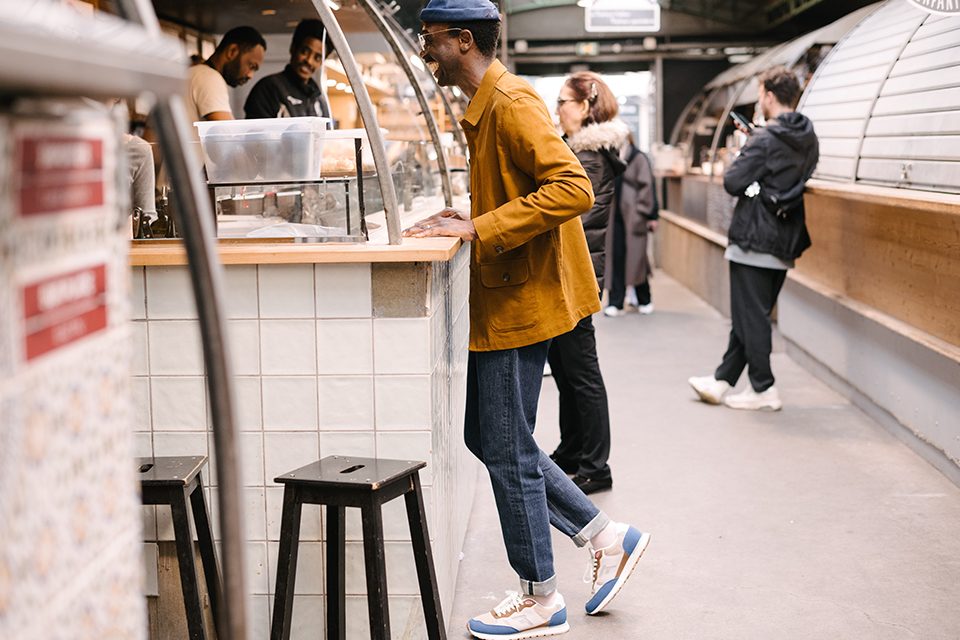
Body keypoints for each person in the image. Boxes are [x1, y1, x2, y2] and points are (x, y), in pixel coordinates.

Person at [405, 1, 649, 637]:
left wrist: (481, 226)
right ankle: (604, 534)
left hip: (519, 298)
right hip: (509, 291)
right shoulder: (489, 104)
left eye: (431, 39)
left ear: (463, 40)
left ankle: (541, 597)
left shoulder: (510, 103)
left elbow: (573, 188)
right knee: (489, 438)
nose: (425, 49)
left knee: (506, 446)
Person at [689, 66, 819, 411]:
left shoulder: (764, 138)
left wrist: (747, 151)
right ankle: (722, 381)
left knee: (753, 317)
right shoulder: (807, 136)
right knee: (752, 314)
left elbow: (733, 181)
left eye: (760, 94)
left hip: (754, 237)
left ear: (769, 96)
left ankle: (764, 388)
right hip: (786, 235)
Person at [547, 71, 628, 496]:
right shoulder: (579, 152)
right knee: (565, 368)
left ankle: (596, 465)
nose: (557, 108)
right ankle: (574, 450)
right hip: (571, 275)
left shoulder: (590, 159)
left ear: (585, 107)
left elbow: (571, 217)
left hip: (577, 278)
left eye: (563, 101)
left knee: (581, 373)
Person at [604, 135, 659, 317]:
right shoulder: (611, 155)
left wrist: (646, 212)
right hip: (615, 217)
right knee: (615, 258)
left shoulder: (638, 157)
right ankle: (615, 301)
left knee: (637, 259)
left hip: (634, 217)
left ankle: (645, 298)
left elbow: (648, 187)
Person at [244, 19, 331, 119]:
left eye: (317, 57)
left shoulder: (318, 99)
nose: (309, 61)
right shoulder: (269, 88)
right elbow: (257, 132)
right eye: (305, 51)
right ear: (293, 48)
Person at [185, 26, 266, 124]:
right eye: (251, 66)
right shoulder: (210, 78)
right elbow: (227, 134)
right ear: (232, 51)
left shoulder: (196, 72)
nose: (250, 75)